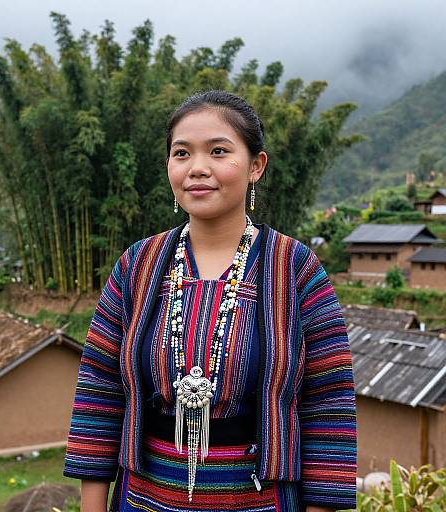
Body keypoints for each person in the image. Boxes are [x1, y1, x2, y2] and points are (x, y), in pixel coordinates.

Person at [62, 90, 357, 512]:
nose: (198, 168)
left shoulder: (295, 270)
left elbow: (329, 406)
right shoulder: (137, 267)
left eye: (219, 151)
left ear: (256, 165)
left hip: (260, 501)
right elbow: (100, 392)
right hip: (143, 498)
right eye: (182, 153)